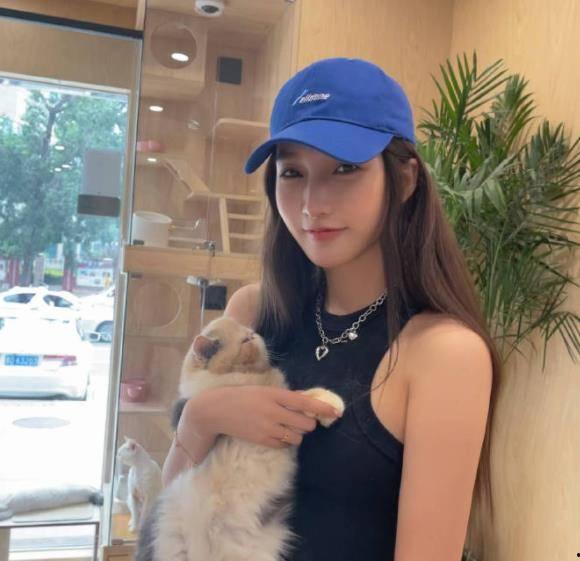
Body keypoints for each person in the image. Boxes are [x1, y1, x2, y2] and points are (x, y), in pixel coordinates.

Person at [162, 57, 500, 561]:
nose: (311, 204)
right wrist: (199, 419)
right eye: (292, 172)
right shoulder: (252, 314)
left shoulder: (444, 354)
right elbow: (173, 523)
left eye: (344, 168)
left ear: (405, 178)